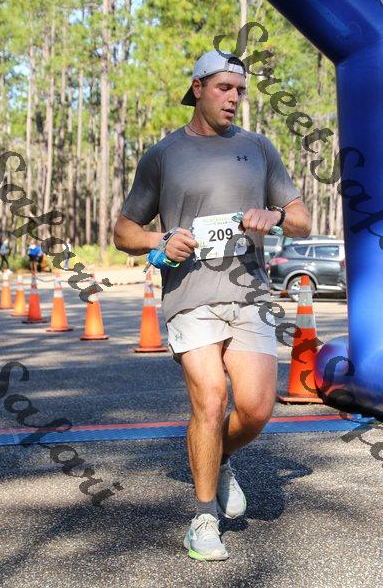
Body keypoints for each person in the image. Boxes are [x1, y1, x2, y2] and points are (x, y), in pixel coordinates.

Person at [114, 50, 311, 561]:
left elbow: (302, 219)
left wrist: (274, 216)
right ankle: (203, 518)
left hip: (250, 294)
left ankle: (217, 457)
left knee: (257, 409)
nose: (234, 98)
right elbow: (123, 231)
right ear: (198, 88)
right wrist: (159, 241)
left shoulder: (258, 148)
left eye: (240, 90)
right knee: (209, 399)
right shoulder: (163, 155)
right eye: (224, 88)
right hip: (190, 296)